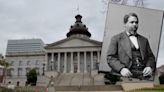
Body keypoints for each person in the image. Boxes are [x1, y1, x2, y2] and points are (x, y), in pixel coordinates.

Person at [107, 12, 156, 81]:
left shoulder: (144, 40)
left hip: (143, 75)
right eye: (132, 22)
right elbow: (110, 58)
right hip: (126, 75)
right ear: (125, 24)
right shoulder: (116, 39)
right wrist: (121, 69)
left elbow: (151, 57)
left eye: (136, 22)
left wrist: (149, 67)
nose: (135, 24)